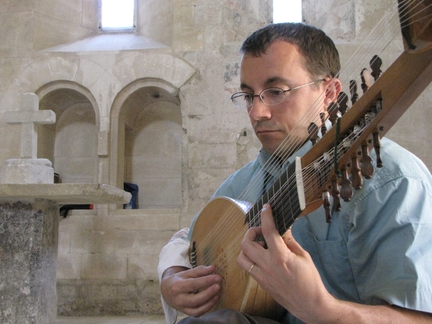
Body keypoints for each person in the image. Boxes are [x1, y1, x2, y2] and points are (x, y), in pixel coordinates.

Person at [158, 22, 432, 323]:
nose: (257, 113)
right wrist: (173, 276)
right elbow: (187, 240)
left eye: (276, 92)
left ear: (330, 93)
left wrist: (322, 310)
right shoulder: (247, 179)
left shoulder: (392, 181)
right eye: (249, 96)